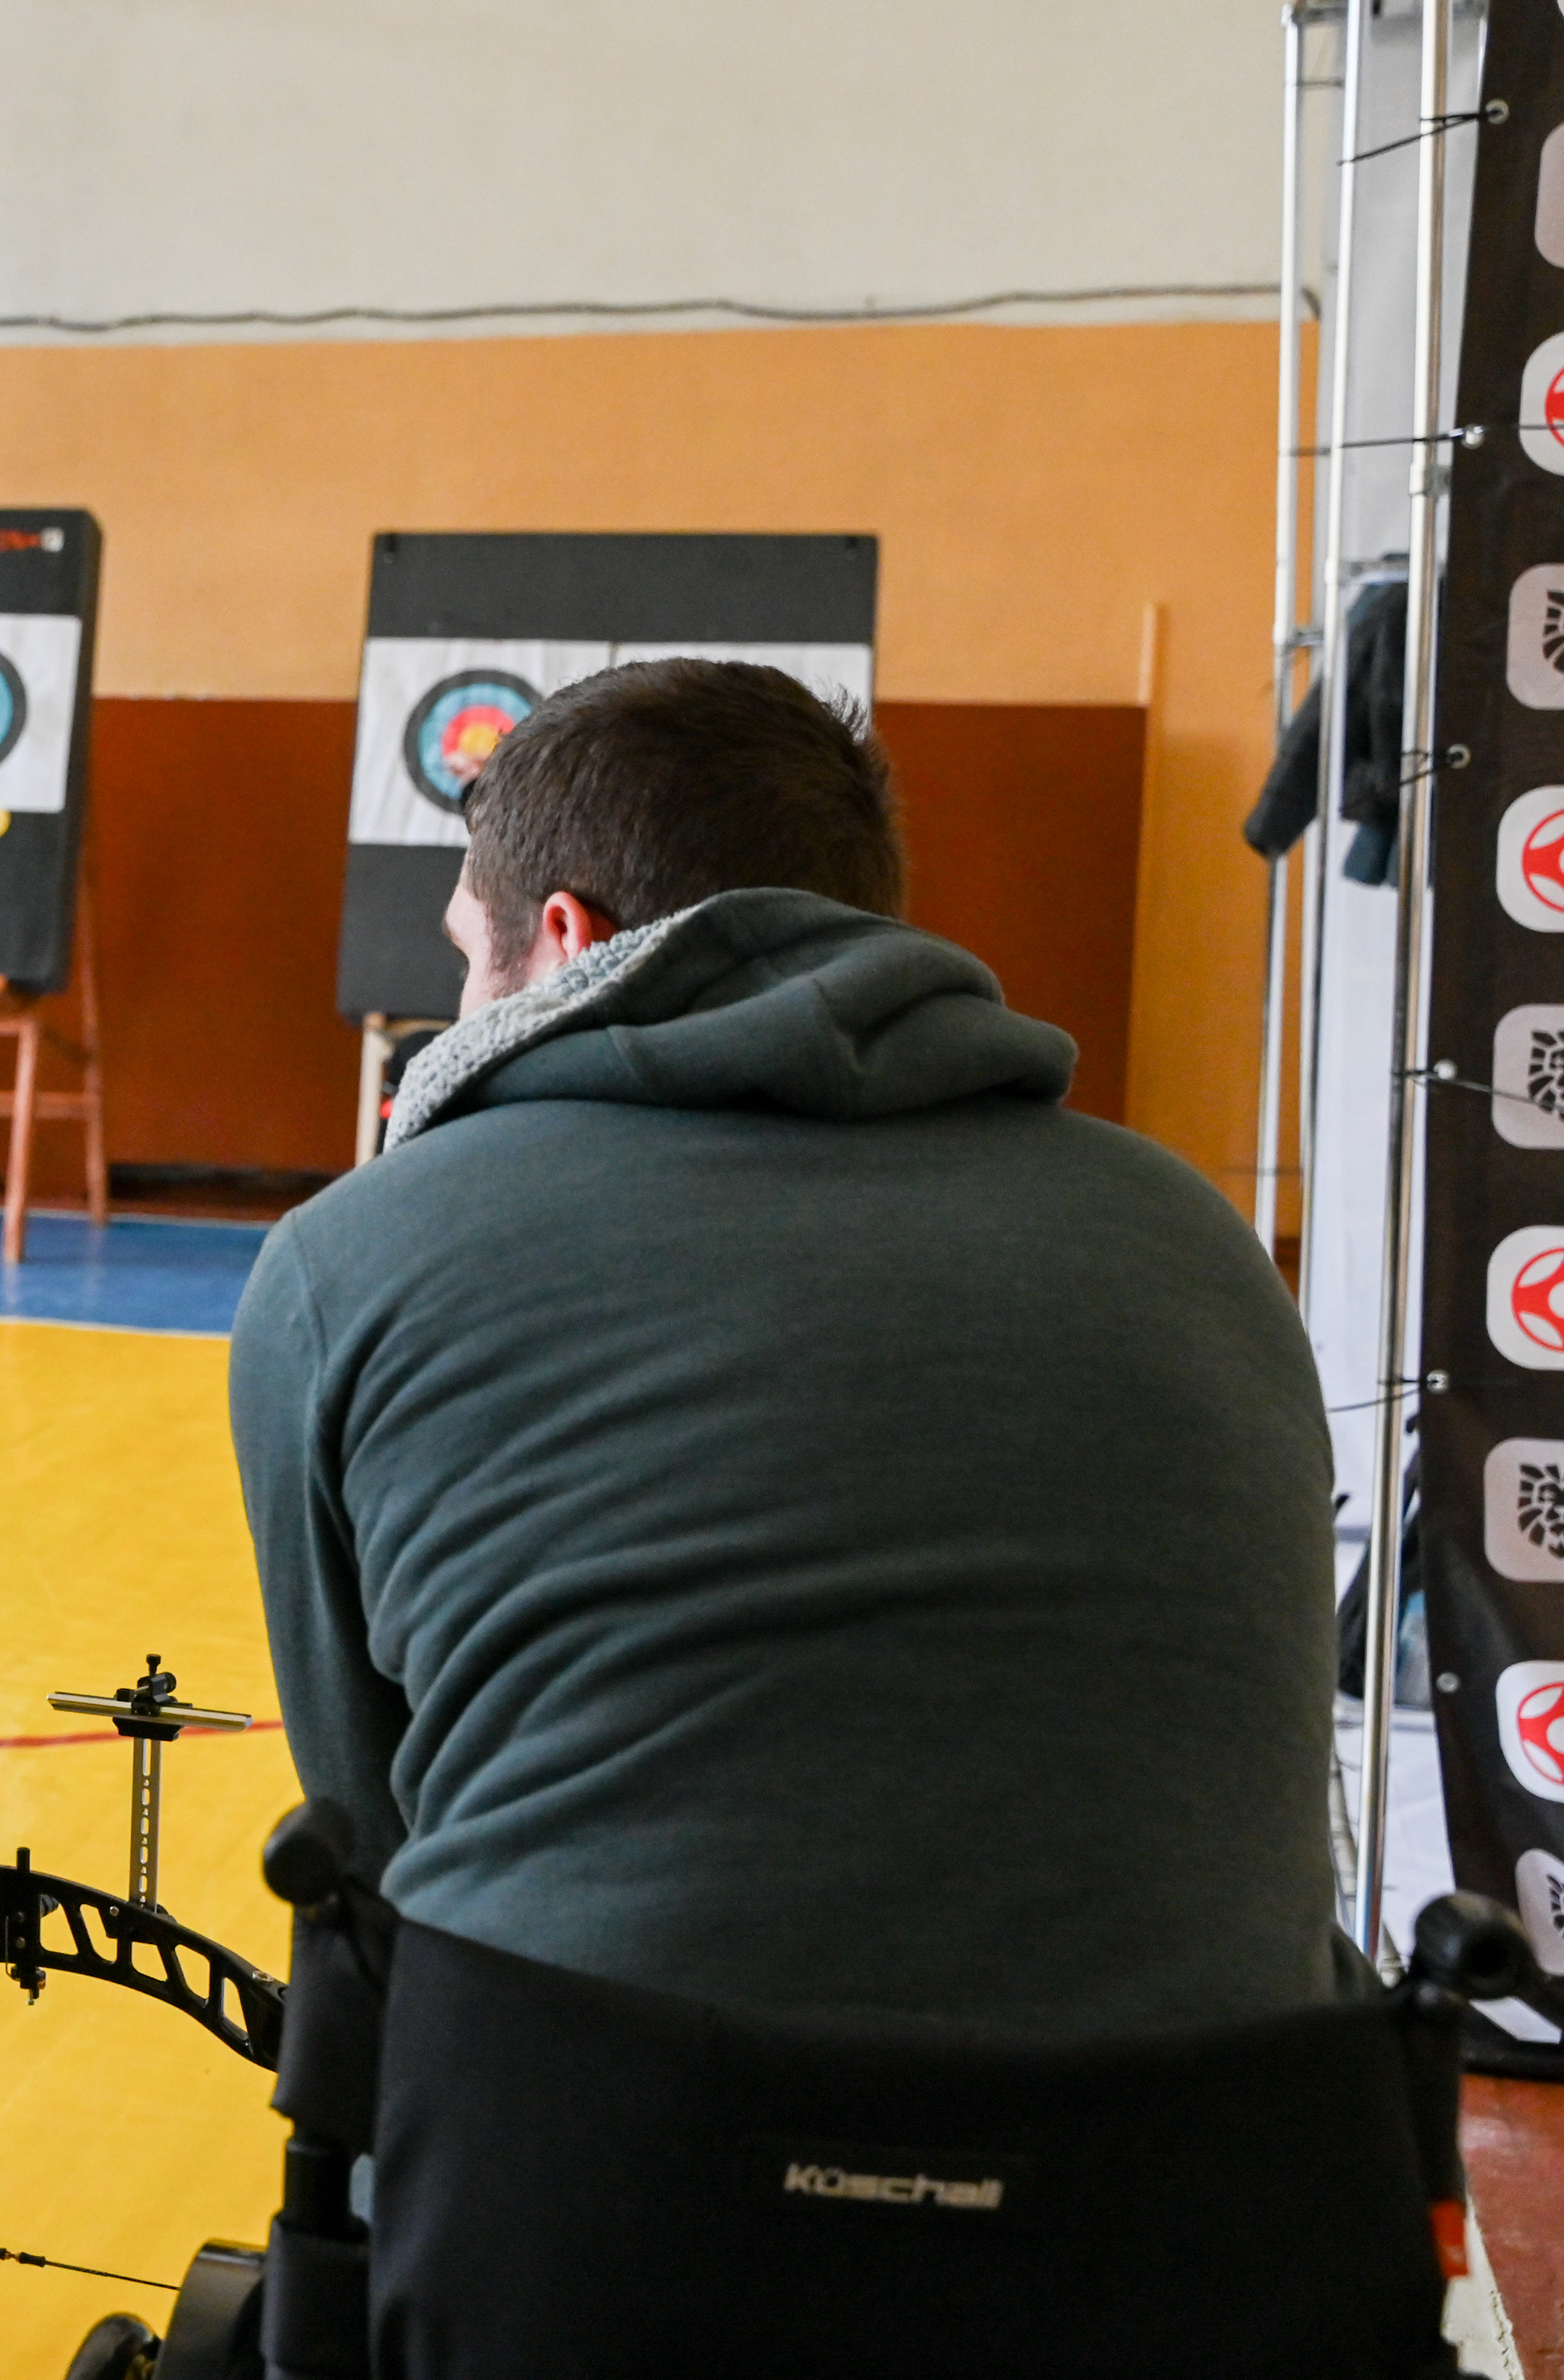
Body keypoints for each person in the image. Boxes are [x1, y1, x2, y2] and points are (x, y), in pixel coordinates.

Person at [228, 659, 1345, 2349]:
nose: (456, 1016)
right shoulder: (1200, 1243)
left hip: (596, 2215)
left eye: (469, 965)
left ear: (566, 933)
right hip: (1194, 2230)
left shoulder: (350, 1259)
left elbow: (376, 1844)